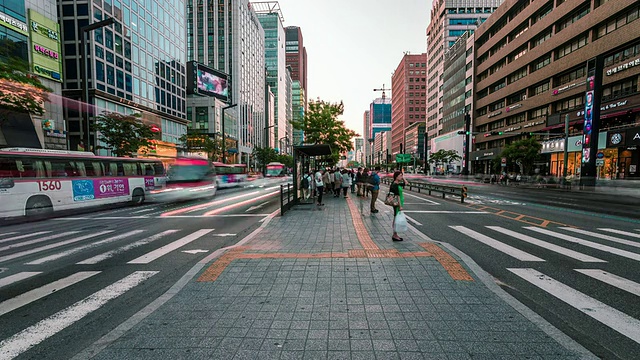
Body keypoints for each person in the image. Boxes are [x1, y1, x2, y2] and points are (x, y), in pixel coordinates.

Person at [389, 170, 407, 241]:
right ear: (396, 176)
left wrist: (403, 177)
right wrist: (400, 206)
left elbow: (406, 183)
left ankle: (395, 234)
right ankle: (394, 234)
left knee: (396, 218)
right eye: (400, 175)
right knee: (396, 219)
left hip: (399, 203)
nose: (401, 177)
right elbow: (397, 196)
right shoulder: (395, 185)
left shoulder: (398, 183)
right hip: (397, 203)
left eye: (401, 175)